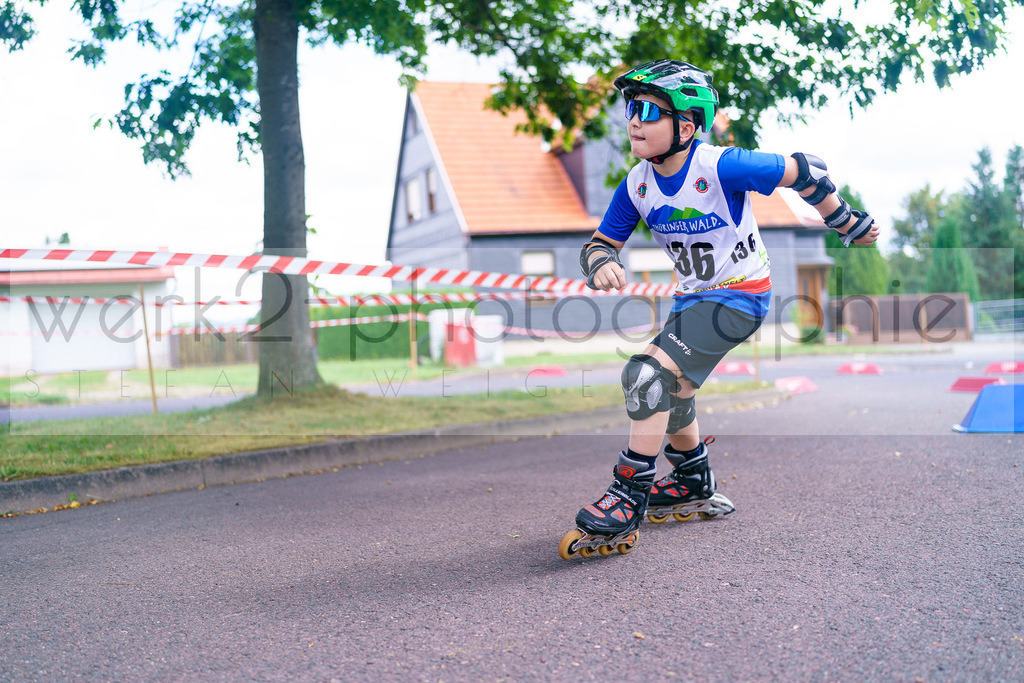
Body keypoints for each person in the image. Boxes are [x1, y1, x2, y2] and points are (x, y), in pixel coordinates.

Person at [559, 59, 881, 559]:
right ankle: (692, 479)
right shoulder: (637, 184)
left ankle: (627, 495)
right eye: (630, 109)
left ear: (686, 125)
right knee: (674, 392)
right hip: (692, 302)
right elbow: (600, 242)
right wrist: (600, 261)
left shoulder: (720, 165)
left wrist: (844, 221)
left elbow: (808, 170)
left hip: (740, 296)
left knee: (645, 376)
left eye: (647, 109)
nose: (634, 121)